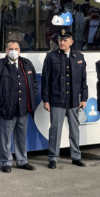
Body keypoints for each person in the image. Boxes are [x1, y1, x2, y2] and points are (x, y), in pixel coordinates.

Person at [0, 40, 38, 173]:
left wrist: (31, 101)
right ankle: (6, 162)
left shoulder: (26, 64)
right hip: (6, 108)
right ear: (6, 51)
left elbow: (33, 84)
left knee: (21, 136)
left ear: (20, 50)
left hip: (23, 108)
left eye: (16, 48)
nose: (13, 51)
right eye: (10, 48)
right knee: (5, 137)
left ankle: (22, 161)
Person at [41, 29, 88, 169]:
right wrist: (46, 100)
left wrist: (84, 98)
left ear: (71, 42)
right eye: (60, 40)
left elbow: (83, 80)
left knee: (74, 129)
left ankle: (76, 156)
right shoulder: (51, 57)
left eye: (65, 40)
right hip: (57, 100)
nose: (62, 42)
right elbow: (45, 80)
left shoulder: (79, 56)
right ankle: (53, 157)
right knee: (55, 130)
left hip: (73, 100)